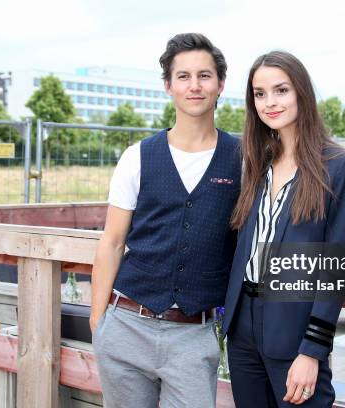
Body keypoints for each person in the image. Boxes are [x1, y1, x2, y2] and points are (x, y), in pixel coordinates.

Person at [89, 33, 241, 408]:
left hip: (193, 334)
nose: (195, 86)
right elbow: (111, 243)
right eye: (184, 76)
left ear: (220, 84)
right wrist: (98, 324)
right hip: (126, 325)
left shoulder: (243, 157)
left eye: (204, 76)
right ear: (168, 86)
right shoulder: (137, 156)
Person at [222, 51, 345, 407]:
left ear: (301, 92)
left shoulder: (341, 167)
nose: (269, 102)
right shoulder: (257, 163)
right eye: (259, 93)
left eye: (280, 90)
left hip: (295, 330)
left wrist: (312, 351)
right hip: (243, 333)